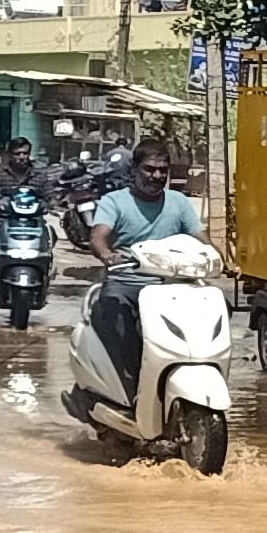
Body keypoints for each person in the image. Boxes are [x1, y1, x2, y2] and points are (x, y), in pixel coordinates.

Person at [82, 144, 207, 385]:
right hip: (127, 284)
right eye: (149, 169)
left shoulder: (179, 202)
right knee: (114, 316)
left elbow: (200, 236)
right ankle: (128, 385)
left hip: (171, 286)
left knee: (214, 308)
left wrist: (222, 258)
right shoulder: (114, 201)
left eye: (163, 170)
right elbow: (98, 237)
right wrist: (106, 254)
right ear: (134, 169)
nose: (157, 176)